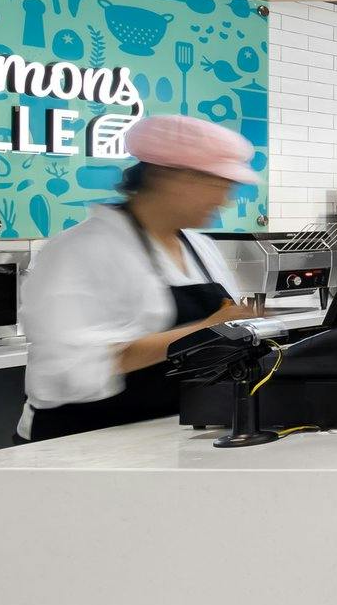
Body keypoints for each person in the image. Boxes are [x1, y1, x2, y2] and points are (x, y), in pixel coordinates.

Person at [17, 116, 259, 442]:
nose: (225, 200)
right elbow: (77, 365)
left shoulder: (200, 247)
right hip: (81, 441)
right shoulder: (79, 249)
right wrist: (206, 329)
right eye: (218, 185)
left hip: (166, 433)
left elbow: (223, 329)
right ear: (169, 177)